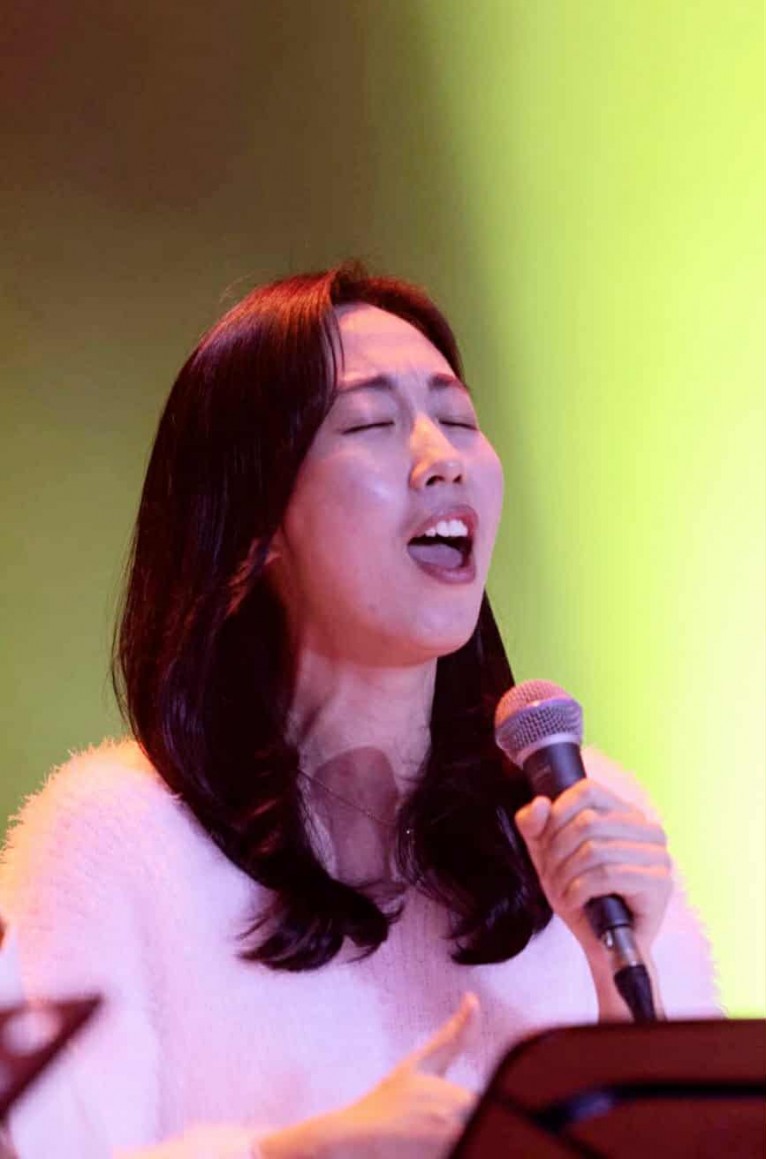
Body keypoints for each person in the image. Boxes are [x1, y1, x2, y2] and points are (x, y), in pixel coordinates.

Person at [0, 264, 719, 1158]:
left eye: (459, 420)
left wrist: (620, 978)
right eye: (373, 425)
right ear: (255, 525)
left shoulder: (577, 814)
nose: (442, 456)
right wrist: (298, 1153)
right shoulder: (119, 840)